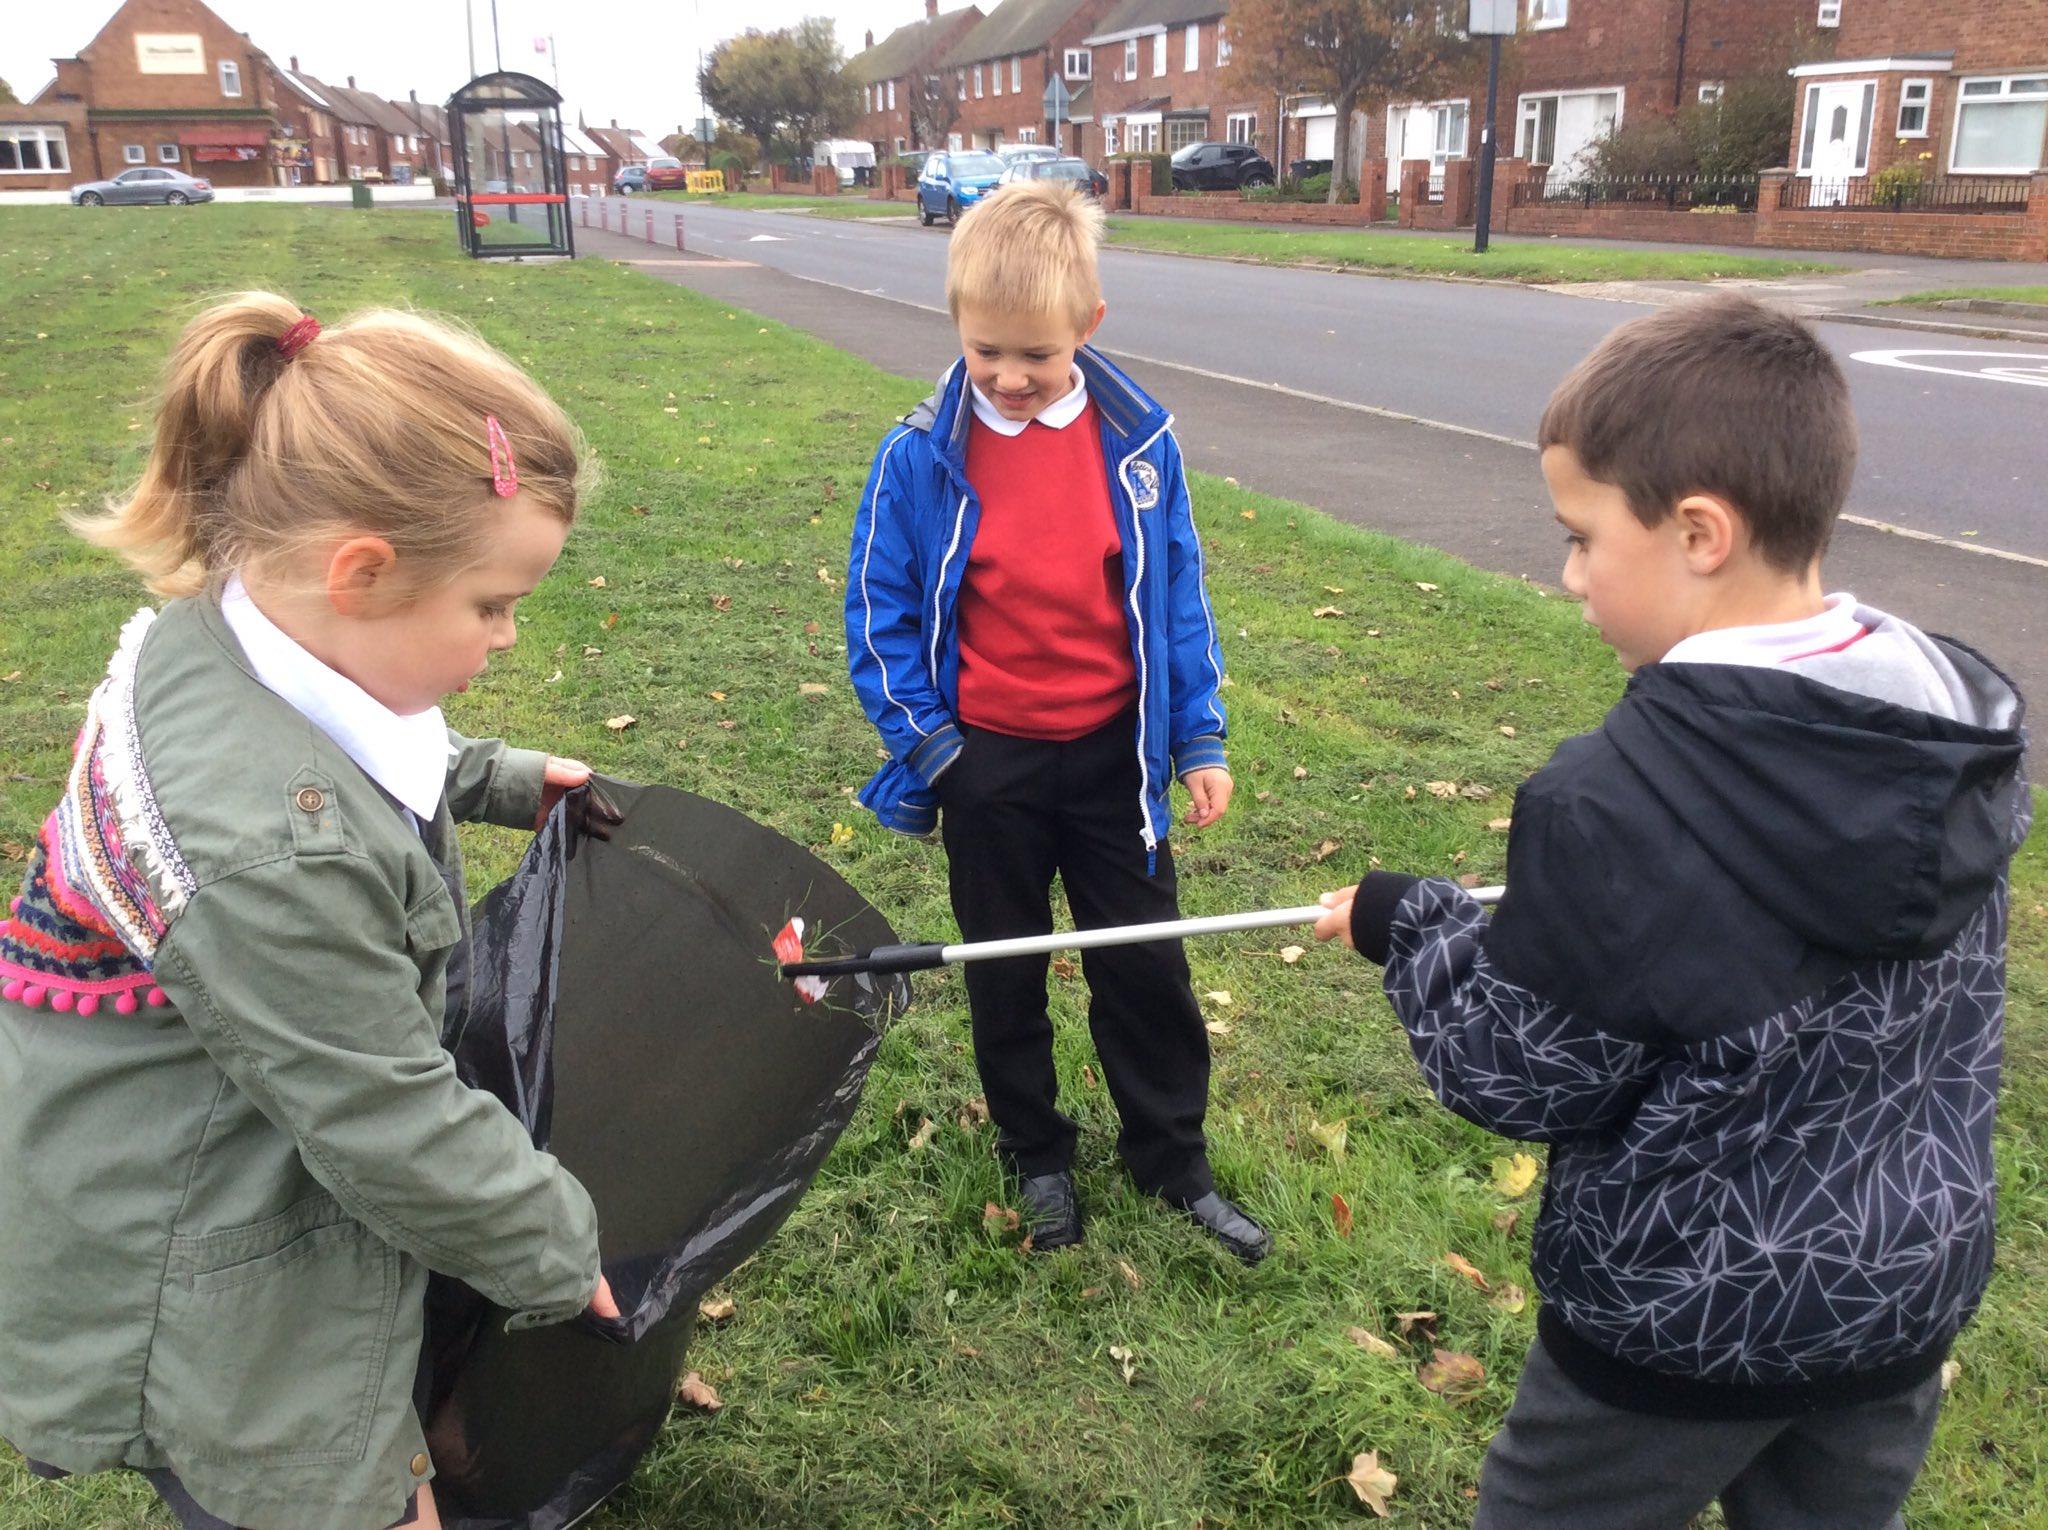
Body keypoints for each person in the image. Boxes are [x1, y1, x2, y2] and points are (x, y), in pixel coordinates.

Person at [1315, 294, 2028, 1529]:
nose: (1568, 574)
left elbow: (1517, 1070)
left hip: (1681, 1320)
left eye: (1582, 538)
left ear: (1698, 532)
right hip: (1898, 1294)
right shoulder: (1947, 720)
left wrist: (1407, 923)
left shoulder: (1614, 805)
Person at [0, 293, 621, 1530]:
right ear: (362, 573)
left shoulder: (226, 638)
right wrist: (555, 1246)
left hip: (180, 1127)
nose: (506, 637)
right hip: (202, 1245)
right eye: (491, 605)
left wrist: (492, 777)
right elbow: (381, 1114)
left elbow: (339, 738)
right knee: (327, 1496)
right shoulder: (272, 857)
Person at [844, 181, 1267, 1262]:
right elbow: (878, 617)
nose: (1008, 376)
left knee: (1144, 964)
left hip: (1116, 762)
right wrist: (941, 755)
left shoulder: (1138, 448)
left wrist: (1198, 737)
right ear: (955, 324)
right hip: (986, 766)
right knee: (1006, 966)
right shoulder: (917, 457)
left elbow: (1177, 598)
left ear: (1088, 325)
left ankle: (1171, 1158)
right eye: (984, 350)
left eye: (1035, 353)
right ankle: (1036, 1155)